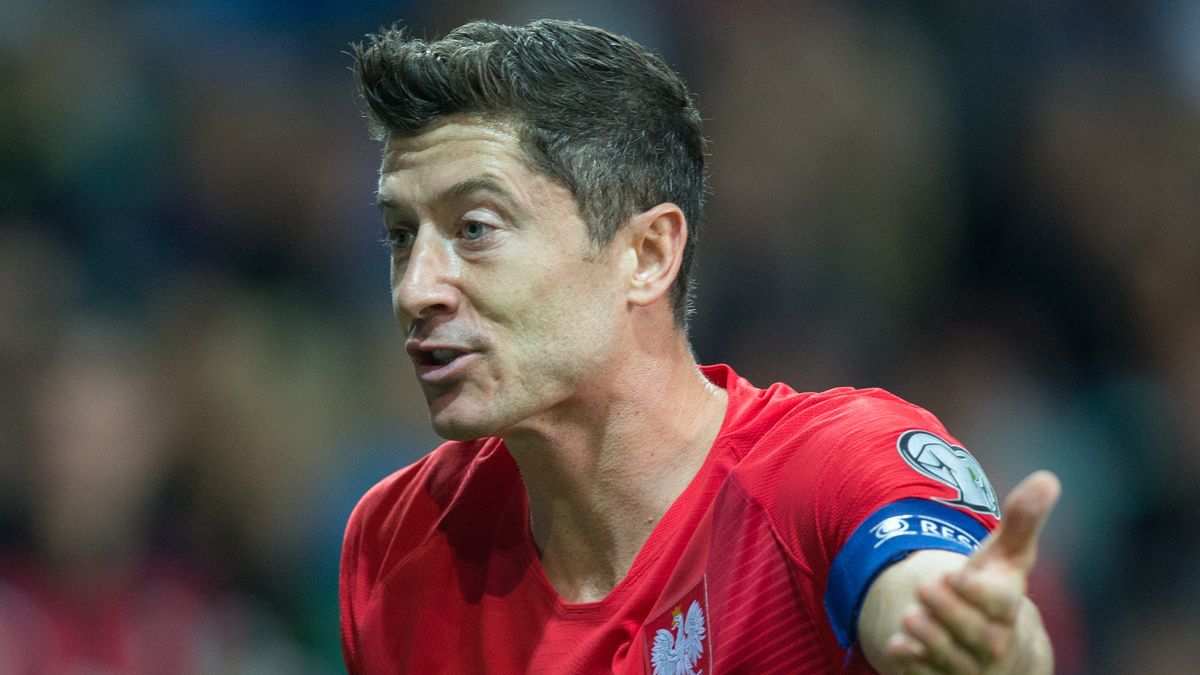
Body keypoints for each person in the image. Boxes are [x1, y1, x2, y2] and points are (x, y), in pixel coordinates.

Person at [339, 18, 1058, 674]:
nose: (415, 288)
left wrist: (984, 644)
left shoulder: (828, 468)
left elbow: (930, 592)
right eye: (402, 235)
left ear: (647, 254)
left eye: (475, 229)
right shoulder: (396, 544)